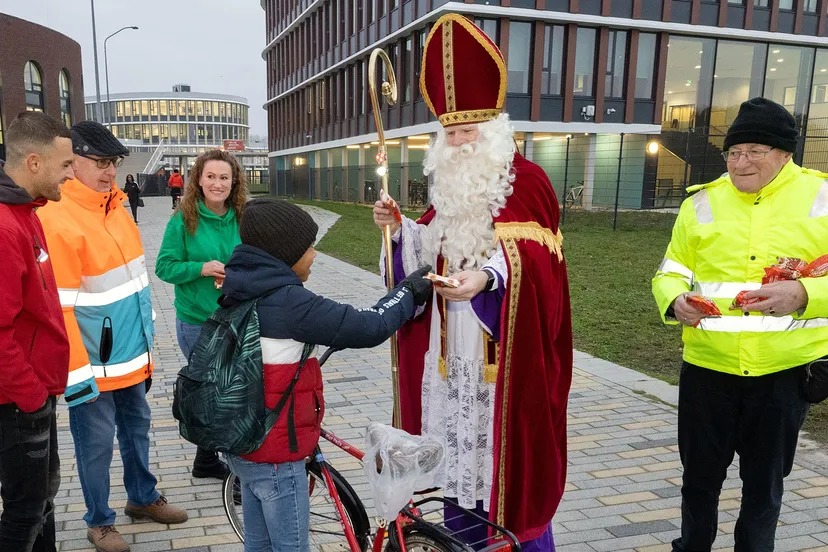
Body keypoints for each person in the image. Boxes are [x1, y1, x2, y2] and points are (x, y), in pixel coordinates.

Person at [372, 14, 571, 550]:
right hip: (448, 352)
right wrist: (400, 230)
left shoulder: (528, 182)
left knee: (499, 463)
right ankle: (455, 537)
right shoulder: (450, 191)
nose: (458, 144)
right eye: (451, 133)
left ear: (493, 132)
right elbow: (428, 248)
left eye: (468, 133)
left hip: (499, 356)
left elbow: (541, 266)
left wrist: (486, 278)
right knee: (456, 462)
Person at [652, 97, 827, 552]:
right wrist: (675, 300)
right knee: (699, 481)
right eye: (733, 152)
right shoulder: (702, 203)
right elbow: (670, 269)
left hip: (783, 375)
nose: (740, 162)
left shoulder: (822, 198)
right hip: (707, 371)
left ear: (785, 154)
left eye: (754, 150)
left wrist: (806, 295)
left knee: (764, 486)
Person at [218, 198, 433, 551]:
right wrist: (407, 292)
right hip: (276, 456)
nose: (315, 255)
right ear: (285, 254)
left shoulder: (239, 285)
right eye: (308, 247)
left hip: (243, 447)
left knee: (258, 543)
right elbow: (369, 325)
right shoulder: (288, 302)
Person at [37, 121, 188, 552]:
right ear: (74, 161)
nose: (109, 172)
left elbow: (136, 289)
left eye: (114, 163)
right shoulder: (58, 217)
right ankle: (99, 521)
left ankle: (141, 497)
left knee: (138, 431)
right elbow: (60, 309)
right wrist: (77, 376)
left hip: (130, 356)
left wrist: (145, 354)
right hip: (92, 367)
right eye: (100, 163)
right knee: (96, 445)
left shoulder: (116, 206)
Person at [0, 112, 73, 552]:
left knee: (43, 501)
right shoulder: (6, 228)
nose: (71, 174)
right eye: (65, 165)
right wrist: (29, 396)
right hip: (17, 400)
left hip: (36, 391)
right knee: (24, 510)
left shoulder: (29, 213)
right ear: (33, 162)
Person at [156, 149, 248, 480]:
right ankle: (239, 475)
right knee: (225, 395)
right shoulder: (183, 218)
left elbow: (256, 261)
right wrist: (202, 268)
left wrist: (236, 277)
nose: (217, 183)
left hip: (238, 319)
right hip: (198, 322)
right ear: (199, 179)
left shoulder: (243, 216)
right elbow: (164, 267)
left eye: (224, 177)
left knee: (220, 393)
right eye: (210, 176)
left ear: (234, 180)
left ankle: (206, 460)